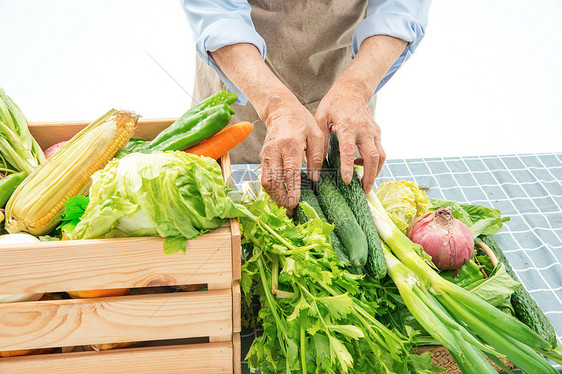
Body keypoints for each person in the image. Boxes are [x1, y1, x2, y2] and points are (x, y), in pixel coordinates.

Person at [181, 1, 430, 210]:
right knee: (230, 200)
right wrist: (274, 106)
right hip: (243, 73)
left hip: (346, 68)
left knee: (341, 186)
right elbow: (216, 10)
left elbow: (400, 6)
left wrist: (355, 90)